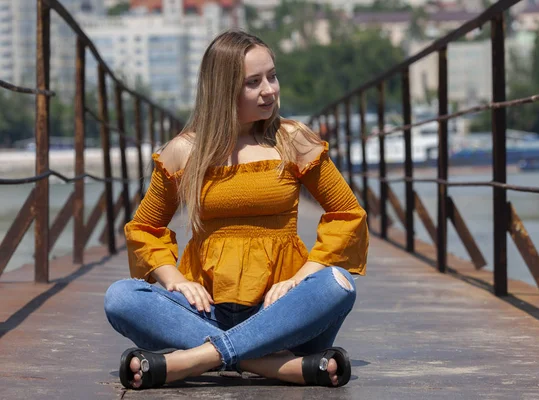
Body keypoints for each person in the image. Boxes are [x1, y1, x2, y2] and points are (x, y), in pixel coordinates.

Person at [103, 30, 369, 391]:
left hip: (280, 315)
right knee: (120, 297)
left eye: (272, 76)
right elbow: (145, 227)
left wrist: (299, 278)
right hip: (204, 311)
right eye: (253, 82)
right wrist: (175, 280)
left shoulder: (293, 140)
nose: (270, 90)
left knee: (339, 286)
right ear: (222, 89)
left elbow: (347, 214)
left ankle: (194, 360)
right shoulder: (184, 151)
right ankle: (272, 365)